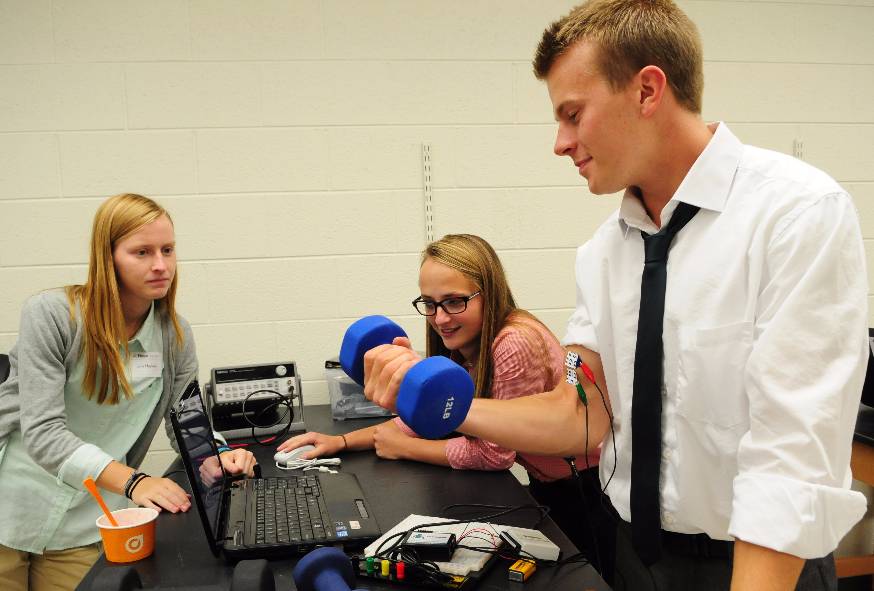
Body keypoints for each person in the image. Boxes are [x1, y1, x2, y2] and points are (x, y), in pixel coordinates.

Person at [360, 1, 868, 590]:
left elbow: (791, 455)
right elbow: (580, 415)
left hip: (761, 565)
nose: (560, 142)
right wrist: (439, 404)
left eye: (573, 114)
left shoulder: (796, 213)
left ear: (648, 91)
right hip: (639, 560)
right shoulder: (605, 252)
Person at [278, 233, 615, 578]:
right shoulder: (465, 343)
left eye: (454, 301)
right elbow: (424, 418)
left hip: (589, 488)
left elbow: (494, 454)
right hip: (550, 482)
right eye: (430, 303)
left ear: (489, 293)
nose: (439, 318)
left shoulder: (513, 341)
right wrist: (342, 442)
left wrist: (405, 448)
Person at [0, 193, 256, 591]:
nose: (160, 265)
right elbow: (43, 433)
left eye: (167, 250)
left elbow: (184, 422)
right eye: (142, 252)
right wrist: (136, 482)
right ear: (108, 257)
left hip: (89, 520)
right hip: (11, 504)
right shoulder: (52, 315)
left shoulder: (174, 335)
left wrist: (218, 457)